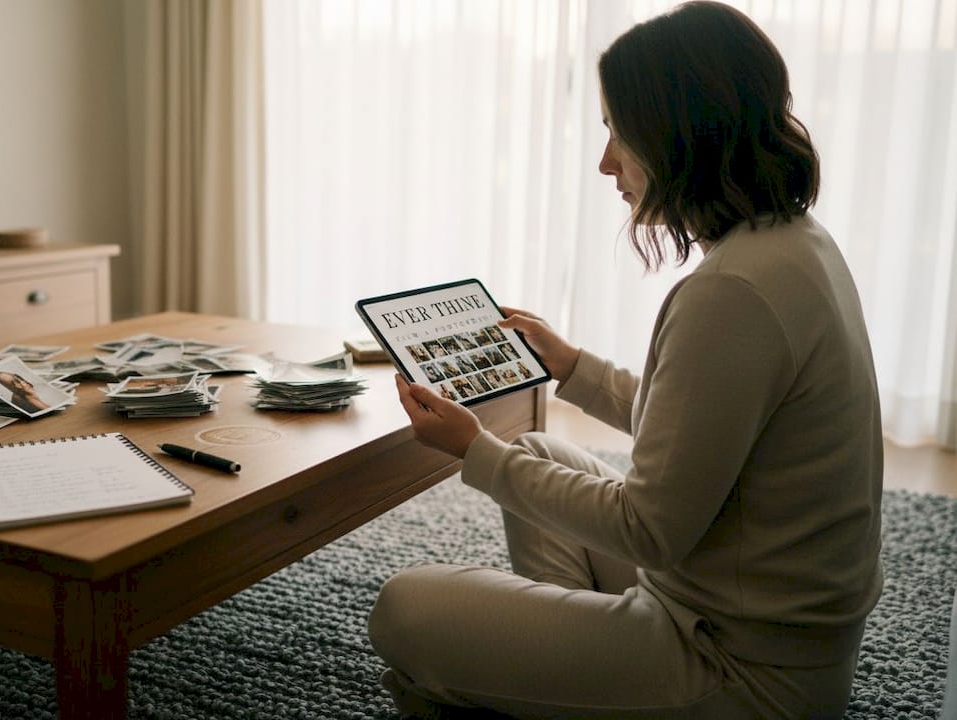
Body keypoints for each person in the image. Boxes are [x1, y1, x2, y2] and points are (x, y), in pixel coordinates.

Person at [367, 3, 883, 719]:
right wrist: (574, 368)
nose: (607, 162)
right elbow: (700, 431)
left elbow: (649, 528)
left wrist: (473, 452)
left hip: (739, 667)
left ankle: (581, 690)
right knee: (543, 447)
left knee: (402, 609)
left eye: (618, 132)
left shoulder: (730, 292)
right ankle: (578, 691)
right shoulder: (796, 243)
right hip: (761, 626)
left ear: (679, 136)